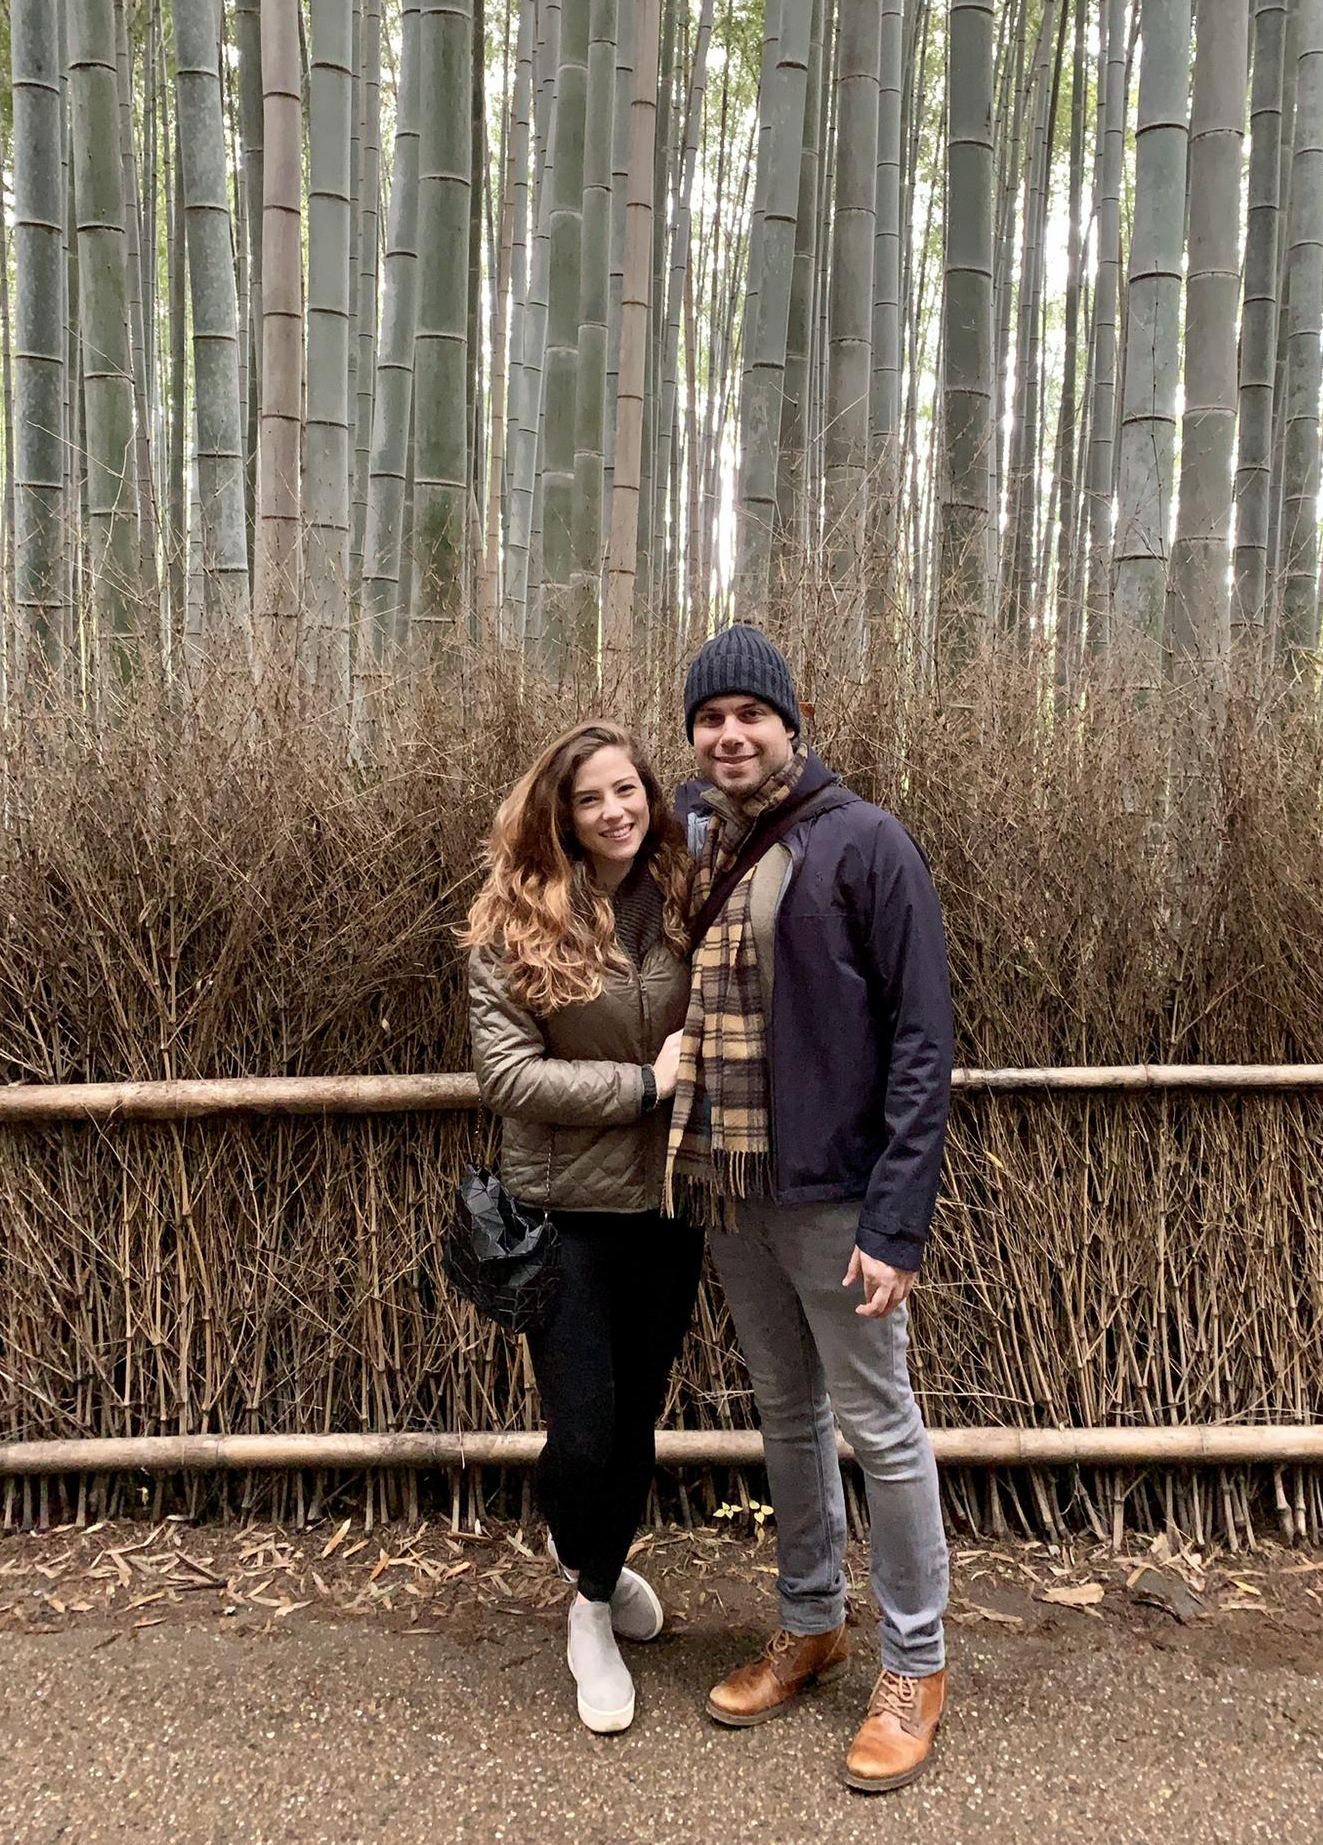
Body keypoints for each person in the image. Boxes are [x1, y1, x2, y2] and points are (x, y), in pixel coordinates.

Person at [667, 625, 955, 1795]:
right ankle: (810, 1619)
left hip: (836, 1192)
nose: (730, 734)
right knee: (787, 1412)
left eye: (752, 713)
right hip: (731, 1185)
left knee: (880, 1424)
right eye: (710, 717)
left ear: (793, 723)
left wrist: (897, 1220)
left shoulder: (866, 842)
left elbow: (924, 1040)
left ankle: (916, 1662)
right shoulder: (692, 842)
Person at [464, 722, 703, 1736]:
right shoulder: (514, 919)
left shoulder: (690, 895)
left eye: (627, 789)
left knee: (638, 1416)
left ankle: (594, 1591)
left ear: (650, 793)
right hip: (564, 1213)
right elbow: (509, 1076)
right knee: (584, 1430)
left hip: (670, 1207)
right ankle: (587, 1579)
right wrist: (647, 1083)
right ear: (559, 814)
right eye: (591, 797)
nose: (615, 811)